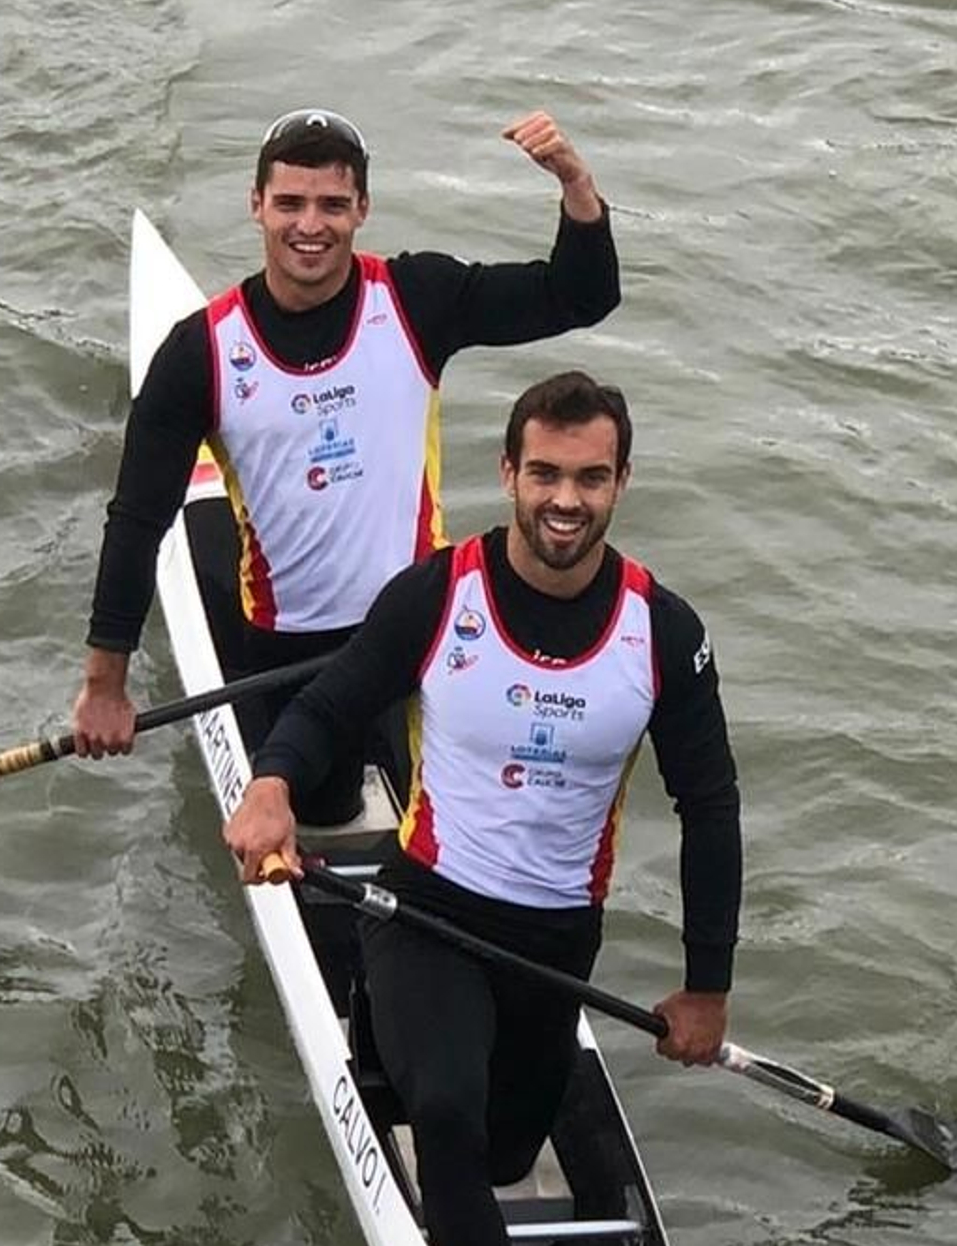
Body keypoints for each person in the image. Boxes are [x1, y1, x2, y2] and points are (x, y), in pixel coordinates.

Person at [221, 371, 740, 1246]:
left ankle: (406, 1064)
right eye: (543, 472)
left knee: (507, 1154)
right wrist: (273, 784)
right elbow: (328, 707)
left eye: (590, 477)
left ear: (620, 482)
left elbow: (713, 810)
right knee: (448, 1112)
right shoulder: (436, 594)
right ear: (506, 472)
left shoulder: (664, 632)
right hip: (423, 913)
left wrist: (706, 987)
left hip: (554, 940)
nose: (565, 499)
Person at [75, 105, 621, 824]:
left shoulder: (417, 299)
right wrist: (105, 684)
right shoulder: (199, 354)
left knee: (466, 818)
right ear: (256, 206)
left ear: (362, 208)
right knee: (323, 814)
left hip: (423, 625)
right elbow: (139, 518)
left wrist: (575, 184)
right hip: (288, 646)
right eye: (290, 203)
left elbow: (581, 295)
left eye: (333, 204)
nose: (311, 225)